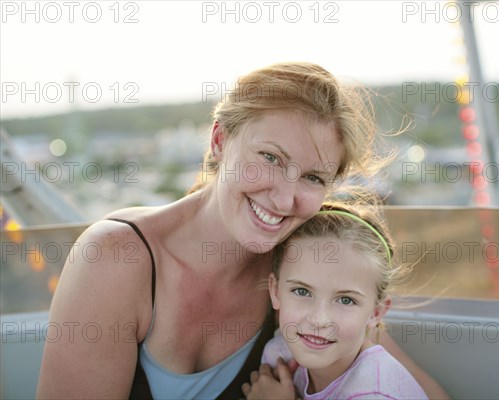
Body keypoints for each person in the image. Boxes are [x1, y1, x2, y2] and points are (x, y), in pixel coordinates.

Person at [37, 62, 447, 399]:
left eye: (312, 178)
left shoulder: (307, 270)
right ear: (219, 140)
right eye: (269, 157)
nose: (284, 200)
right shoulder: (114, 259)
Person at [241, 204, 428, 399]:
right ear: (276, 292)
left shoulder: (373, 394)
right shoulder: (280, 354)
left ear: (375, 313)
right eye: (302, 291)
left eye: (346, 300)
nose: (319, 320)